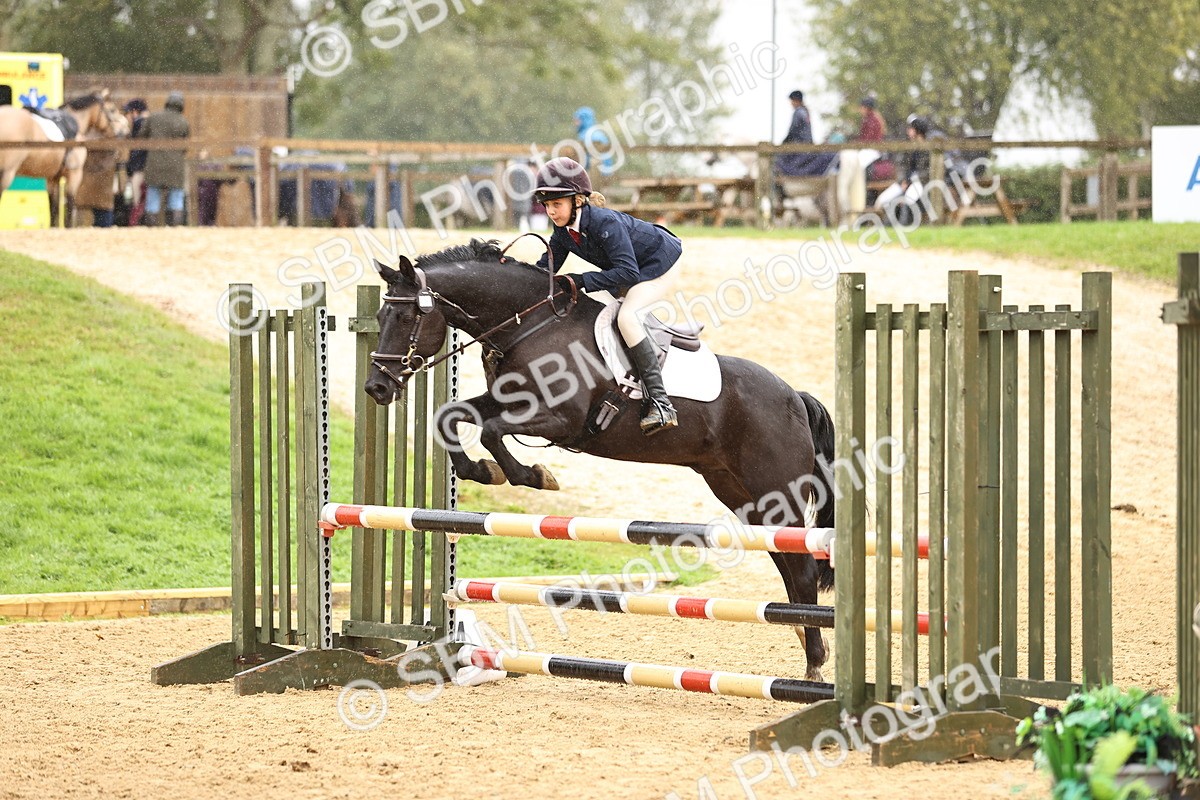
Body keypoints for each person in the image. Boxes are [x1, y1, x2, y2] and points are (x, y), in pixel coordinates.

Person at [533, 156, 681, 435]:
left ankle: (661, 404)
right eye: (547, 206)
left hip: (660, 263)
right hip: (626, 269)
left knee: (627, 318)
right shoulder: (563, 229)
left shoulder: (605, 222)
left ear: (577, 200)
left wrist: (580, 280)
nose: (551, 212)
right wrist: (522, 278)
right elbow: (548, 265)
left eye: (557, 204)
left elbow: (628, 273)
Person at [137, 91, 190, 226]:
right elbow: (185, 146)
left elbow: (141, 137)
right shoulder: (183, 121)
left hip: (155, 163)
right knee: (176, 198)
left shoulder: (154, 117)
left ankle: (151, 228)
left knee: (153, 197)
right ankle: (174, 229)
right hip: (175, 165)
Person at [836, 96, 888, 220]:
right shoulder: (868, 120)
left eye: (862, 107)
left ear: (867, 108)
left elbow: (868, 140)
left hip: (872, 150)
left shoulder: (873, 121)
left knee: (859, 163)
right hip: (867, 148)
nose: (861, 109)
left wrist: (857, 144)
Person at [776, 90, 836, 177]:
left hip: (800, 146)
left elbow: (793, 131)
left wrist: (783, 144)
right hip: (807, 145)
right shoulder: (805, 111)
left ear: (796, 100)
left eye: (792, 101)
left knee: (779, 160)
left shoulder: (798, 112)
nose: (791, 104)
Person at [122, 99, 148, 225]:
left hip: (139, 168)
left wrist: (131, 168)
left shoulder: (139, 123)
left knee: (137, 201)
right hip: (146, 167)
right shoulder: (146, 123)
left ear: (134, 112)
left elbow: (137, 151)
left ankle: (135, 224)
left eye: (127, 113)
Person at [573, 106, 614, 176]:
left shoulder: (587, 135)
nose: (575, 123)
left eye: (577, 120)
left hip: (593, 176)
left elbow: (586, 159)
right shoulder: (598, 133)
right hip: (604, 174)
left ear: (584, 120)